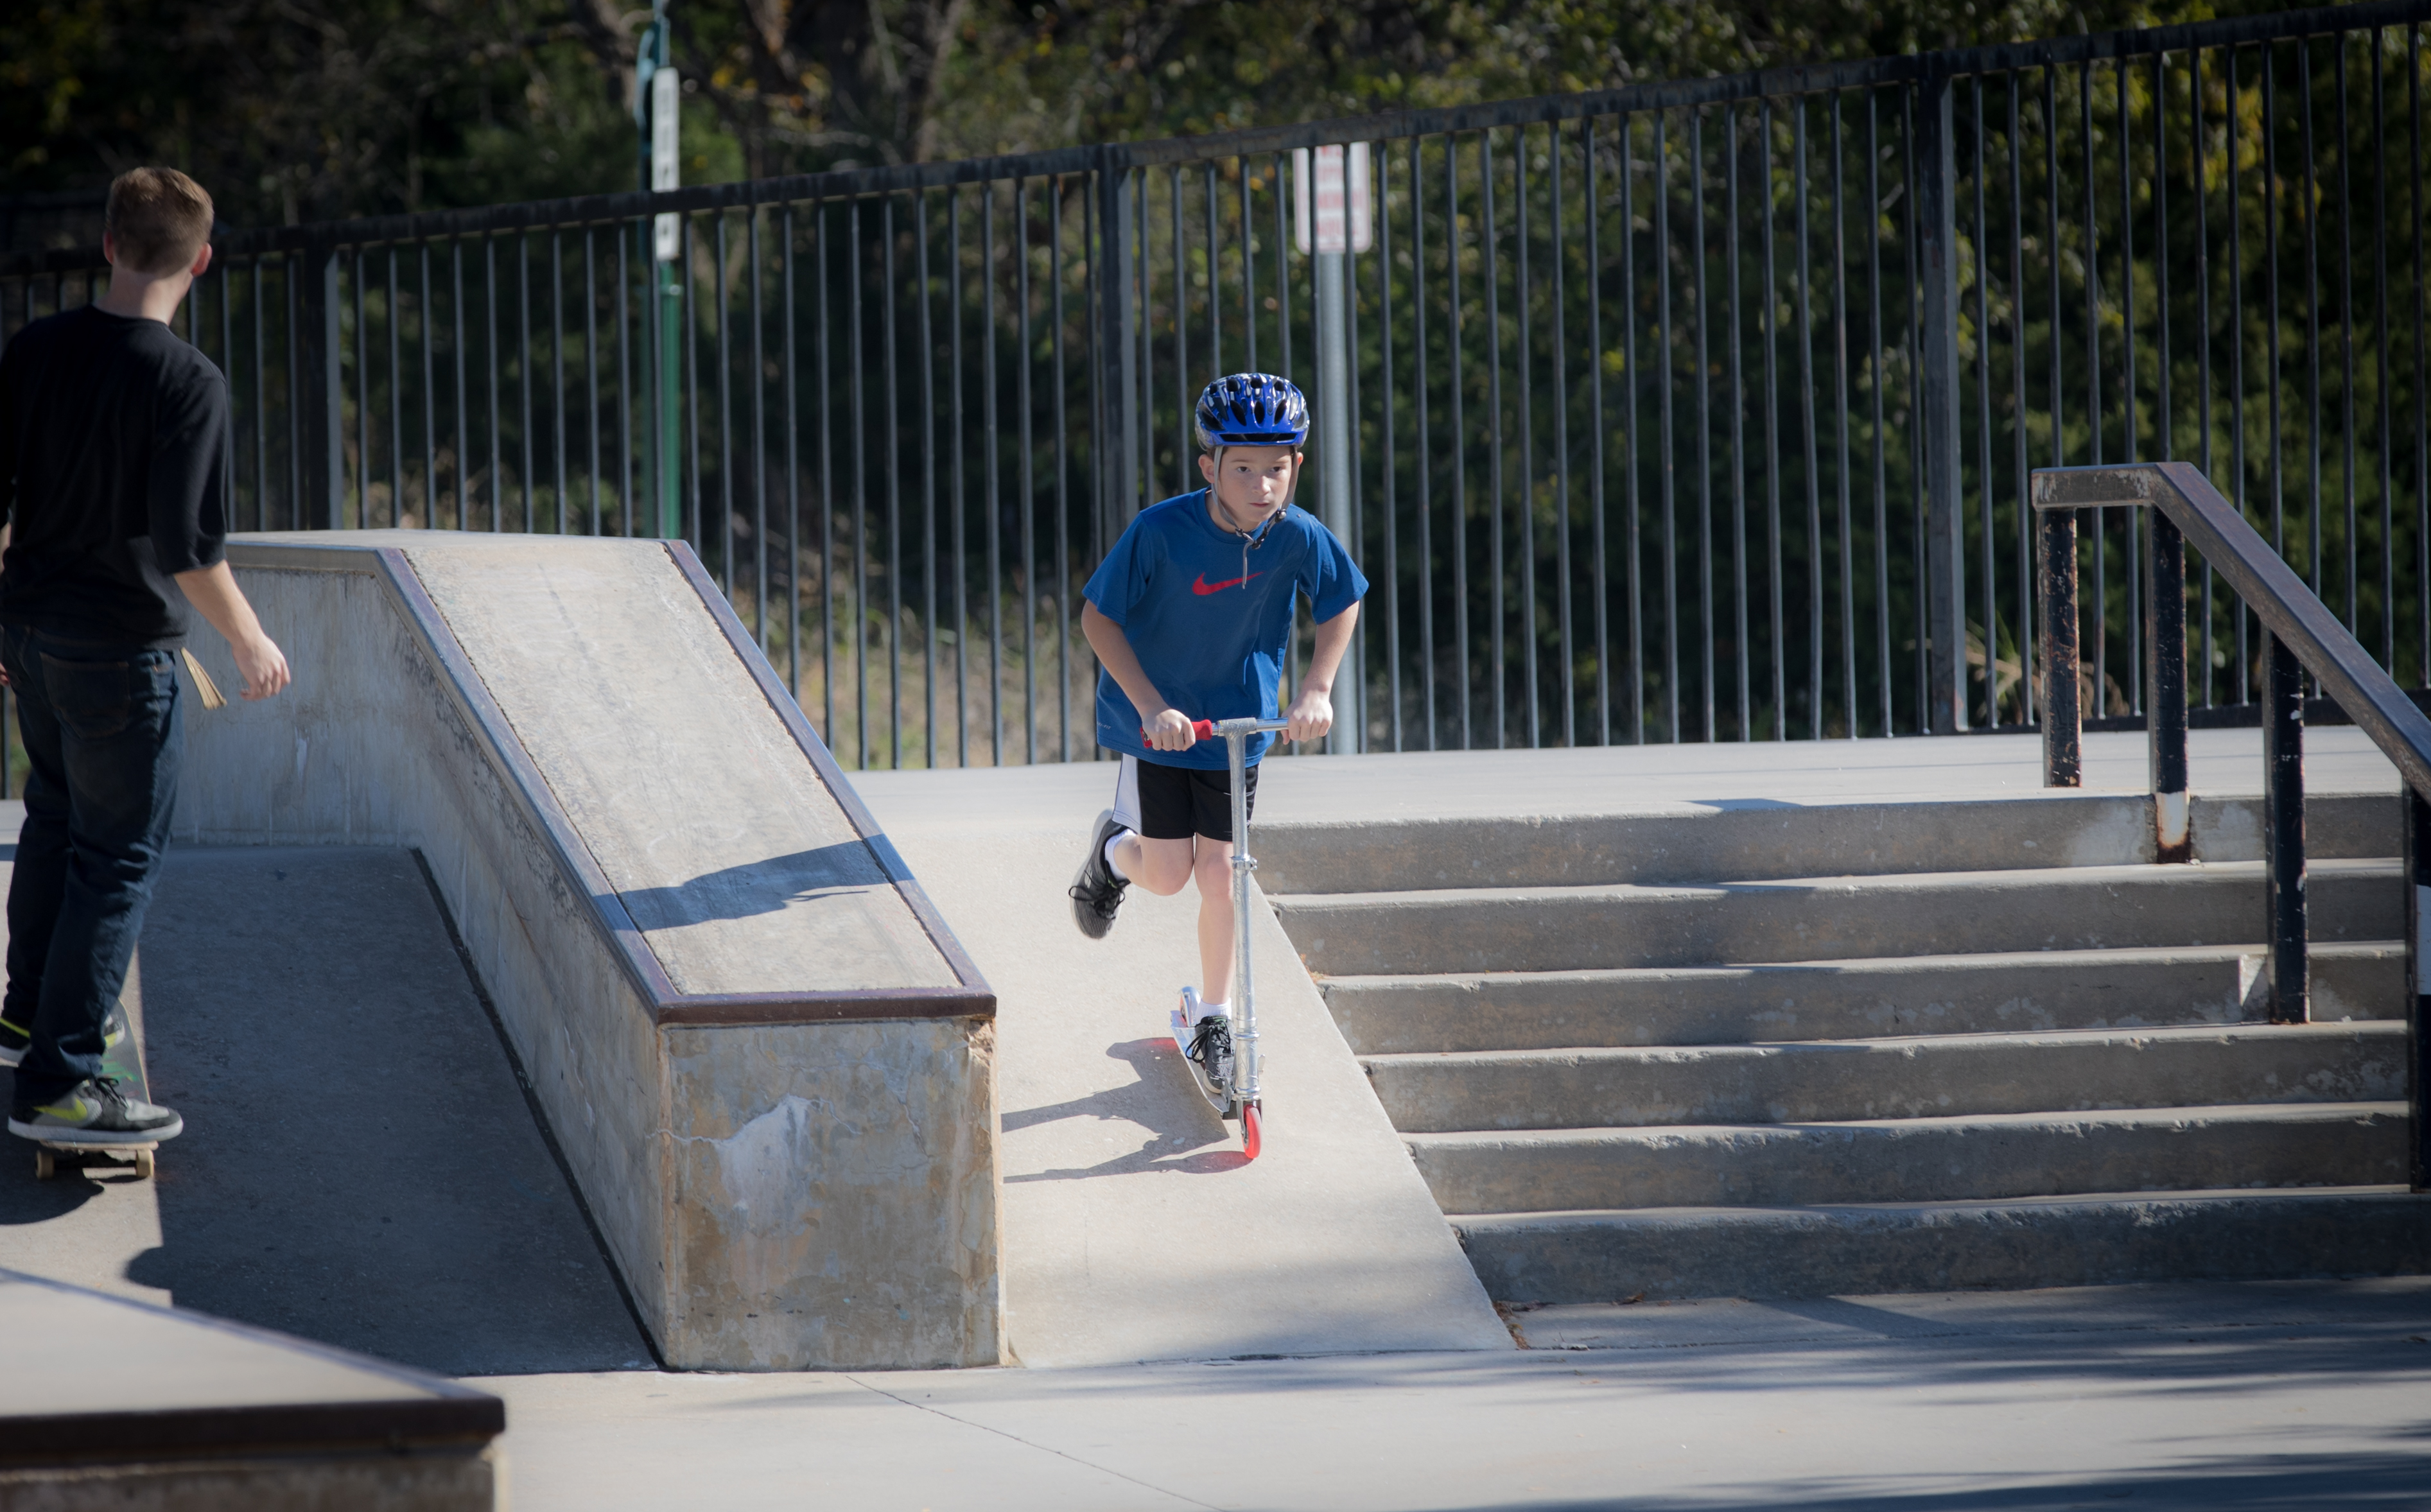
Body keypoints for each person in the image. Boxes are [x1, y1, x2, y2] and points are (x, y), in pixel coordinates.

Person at [0, 166, 292, 1151]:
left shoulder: (33, 350)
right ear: (201, 261)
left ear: (110, 244)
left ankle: (22, 1015)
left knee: (56, 816)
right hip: (120, 653)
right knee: (116, 856)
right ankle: (65, 1076)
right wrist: (249, 639)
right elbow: (187, 547)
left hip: (31, 635)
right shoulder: (186, 381)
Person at [1067, 372, 1366, 1079]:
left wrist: (1317, 689)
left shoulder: (1298, 536)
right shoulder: (1161, 531)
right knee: (1168, 875)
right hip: (1162, 732)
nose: (1262, 485)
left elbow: (1341, 601)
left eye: (1278, 468)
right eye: (1243, 469)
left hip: (1237, 732)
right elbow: (1097, 618)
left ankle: (1214, 1018)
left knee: (1222, 876)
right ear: (1210, 468)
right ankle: (1113, 853)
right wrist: (1148, 706)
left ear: (1297, 467)